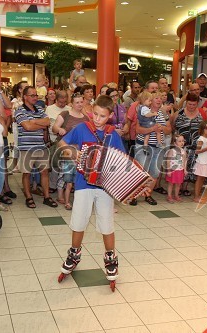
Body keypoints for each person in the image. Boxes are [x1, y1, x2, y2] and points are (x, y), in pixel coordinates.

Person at [57, 95, 124, 281]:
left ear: (110, 115)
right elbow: (62, 143)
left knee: (106, 222)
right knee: (78, 221)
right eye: (95, 114)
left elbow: (122, 161)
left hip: (105, 187)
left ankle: (110, 257)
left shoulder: (113, 135)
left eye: (102, 116)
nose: (97, 119)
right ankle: (74, 254)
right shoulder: (82, 128)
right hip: (82, 183)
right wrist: (73, 153)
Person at [15, 86, 57, 209]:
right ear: (25, 97)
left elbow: (47, 122)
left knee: (44, 172)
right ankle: (28, 197)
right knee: (26, 173)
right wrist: (38, 123)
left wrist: (32, 122)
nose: (35, 97)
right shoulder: (19, 110)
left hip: (41, 146)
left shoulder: (39, 108)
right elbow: (27, 127)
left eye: (36, 95)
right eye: (32, 95)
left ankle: (47, 197)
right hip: (26, 147)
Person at [132, 91, 172, 206]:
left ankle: (148, 194)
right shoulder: (144, 112)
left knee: (154, 173)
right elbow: (138, 130)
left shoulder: (164, 113)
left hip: (158, 147)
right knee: (140, 171)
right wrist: (152, 129)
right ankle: (133, 195)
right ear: (150, 100)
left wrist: (162, 128)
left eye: (160, 98)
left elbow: (169, 130)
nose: (159, 100)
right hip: (144, 146)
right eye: (156, 98)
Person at [52, 92, 88, 209]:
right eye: (77, 102)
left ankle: (71, 196)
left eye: (81, 102)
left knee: (75, 173)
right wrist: (59, 129)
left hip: (79, 150)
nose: (79, 104)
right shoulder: (65, 113)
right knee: (64, 173)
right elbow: (54, 128)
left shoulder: (85, 117)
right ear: (71, 104)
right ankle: (60, 195)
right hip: (66, 147)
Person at [165, 134, 187, 203]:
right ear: (175, 143)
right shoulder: (172, 151)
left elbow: (184, 161)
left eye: (183, 141)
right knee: (171, 183)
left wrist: (185, 169)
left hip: (180, 170)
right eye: (179, 141)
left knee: (178, 184)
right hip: (172, 170)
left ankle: (176, 195)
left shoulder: (184, 151)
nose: (182, 142)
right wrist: (168, 170)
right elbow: (168, 161)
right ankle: (169, 196)